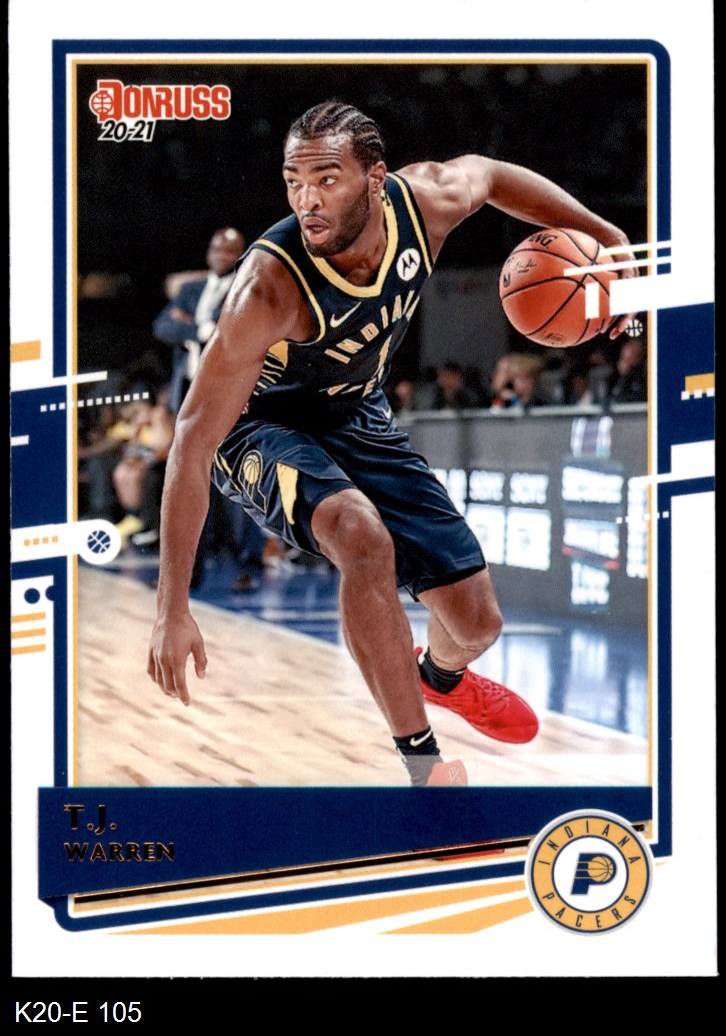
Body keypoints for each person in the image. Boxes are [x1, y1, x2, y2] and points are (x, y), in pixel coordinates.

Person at [148, 101, 635, 787]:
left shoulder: (423, 203)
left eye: (326, 179)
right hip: (257, 425)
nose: (307, 201)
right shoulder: (268, 286)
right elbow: (193, 442)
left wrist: (602, 231)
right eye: (294, 182)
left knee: (476, 623)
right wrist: (171, 609)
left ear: (375, 179)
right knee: (359, 535)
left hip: (355, 410)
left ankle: (439, 677)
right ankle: (423, 764)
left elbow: (493, 175)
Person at [153, 227, 245, 413]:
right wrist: (198, 330)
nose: (221, 256)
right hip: (186, 382)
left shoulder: (243, 290)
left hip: (223, 384)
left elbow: (223, 330)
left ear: (241, 256)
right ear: (209, 253)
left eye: (229, 251)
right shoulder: (190, 290)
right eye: (216, 250)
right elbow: (161, 327)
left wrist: (187, 322)